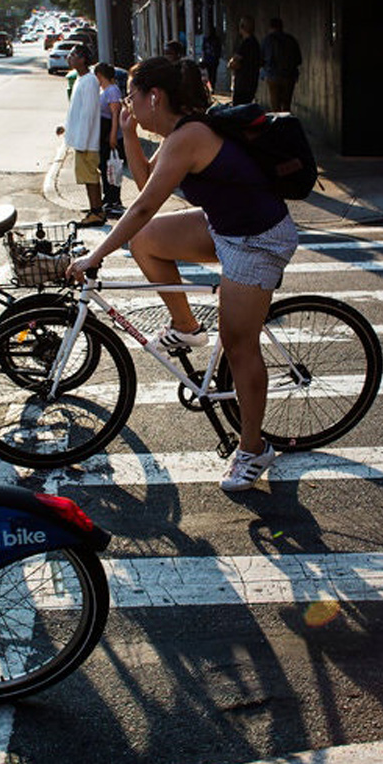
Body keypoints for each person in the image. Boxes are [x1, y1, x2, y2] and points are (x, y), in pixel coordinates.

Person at [67, 56, 299, 492]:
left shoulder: (190, 136)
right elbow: (146, 183)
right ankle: (186, 326)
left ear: (154, 97)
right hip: (224, 226)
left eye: (132, 97)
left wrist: (95, 255)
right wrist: (129, 133)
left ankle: (253, 449)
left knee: (239, 346)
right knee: (145, 241)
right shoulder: (180, 134)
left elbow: (142, 206)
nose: (127, 105)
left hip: (258, 240)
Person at [53, 44, 106, 226]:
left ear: (83, 59)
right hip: (81, 139)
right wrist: (66, 127)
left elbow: (88, 113)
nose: (69, 58)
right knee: (87, 177)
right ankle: (95, 209)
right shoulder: (80, 79)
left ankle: (97, 212)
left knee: (90, 177)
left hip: (87, 141)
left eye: (73, 55)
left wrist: (82, 141)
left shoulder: (90, 81)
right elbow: (75, 111)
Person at [95, 61, 125, 217]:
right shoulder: (105, 90)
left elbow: (115, 114)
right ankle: (108, 199)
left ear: (99, 75)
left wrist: (113, 134)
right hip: (104, 134)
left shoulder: (112, 91)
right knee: (105, 168)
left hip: (110, 135)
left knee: (111, 168)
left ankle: (113, 200)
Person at [261, 17, 302, 112]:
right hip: (289, 77)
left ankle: (277, 121)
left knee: (275, 106)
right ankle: (286, 120)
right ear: (282, 27)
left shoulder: (267, 40)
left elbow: (261, 59)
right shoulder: (291, 39)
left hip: (272, 77)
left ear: (270, 27)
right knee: (286, 105)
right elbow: (299, 60)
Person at [228, 16, 261, 106]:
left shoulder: (245, 44)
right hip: (252, 82)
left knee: (238, 109)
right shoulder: (256, 44)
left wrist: (232, 62)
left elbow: (233, 64)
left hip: (242, 84)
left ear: (242, 27)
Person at [201, 26, 223, 92]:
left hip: (212, 60)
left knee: (212, 74)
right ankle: (211, 87)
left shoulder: (213, 40)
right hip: (210, 60)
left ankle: (211, 87)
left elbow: (218, 50)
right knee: (211, 74)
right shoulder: (208, 40)